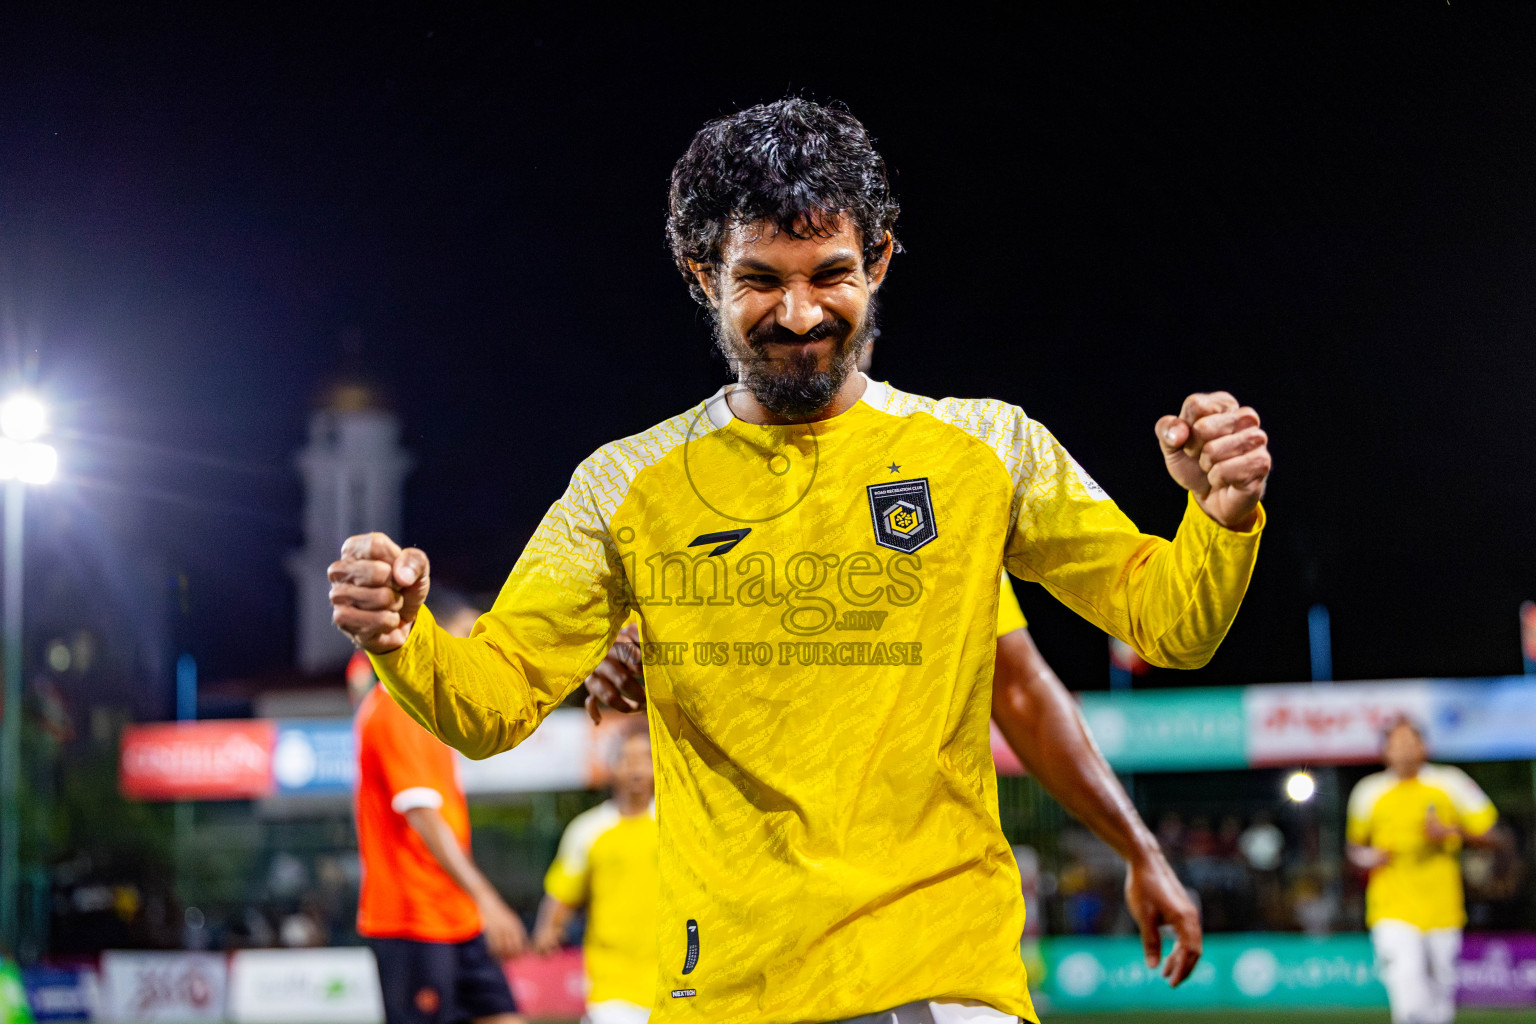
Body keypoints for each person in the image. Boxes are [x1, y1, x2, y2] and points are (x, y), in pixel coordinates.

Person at [330, 97, 1270, 1023]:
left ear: (883, 259)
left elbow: (1167, 625)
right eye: (759, 279)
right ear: (703, 275)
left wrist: (1220, 517)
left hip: (938, 980)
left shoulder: (988, 451)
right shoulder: (625, 487)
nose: (799, 311)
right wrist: (404, 636)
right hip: (728, 990)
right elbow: (493, 703)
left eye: (830, 273)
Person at [351, 590, 527, 1024]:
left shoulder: (433, 710)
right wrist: (487, 897)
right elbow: (423, 817)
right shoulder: (397, 705)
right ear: (435, 636)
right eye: (468, 634)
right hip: (412, 919)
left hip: (456, 915)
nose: (477, 648)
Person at [1347, 717, 1501, 1024]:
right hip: (1391, 907)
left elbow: (1497, 836)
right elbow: (1354, 850)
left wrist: (1452, 832)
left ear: (1424, 747)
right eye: (1396, 744)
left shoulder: (1450, 782)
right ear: (1385, 752)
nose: (1403, 750)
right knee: (1409, 996)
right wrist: (1371, 857)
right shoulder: (1369, 791)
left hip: (1442, 908)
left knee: (1440, 1001)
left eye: (1410, 742)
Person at [531, 726, 658, 1024]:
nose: (636, 768)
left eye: (644, 759)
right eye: (626, 759)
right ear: (611, 767)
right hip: (610, 981)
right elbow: (562, 893)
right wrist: (549, 929)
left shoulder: (677, 825)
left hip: (675, 977)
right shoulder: (588, 830)